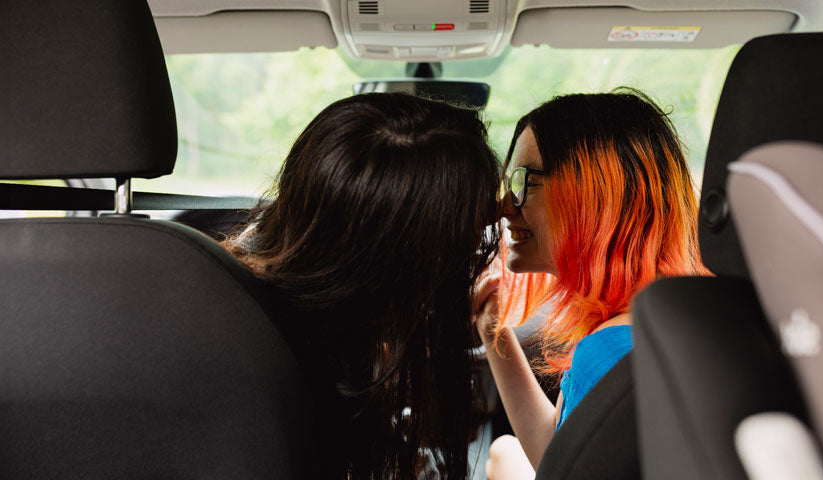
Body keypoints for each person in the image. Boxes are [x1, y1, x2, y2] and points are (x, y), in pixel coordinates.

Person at [222, 92, 502, 480]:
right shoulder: (285, 376)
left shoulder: (268, 284)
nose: (477, 242)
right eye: (462, 232)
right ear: (398, 253)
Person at [472, 89, 709, 479]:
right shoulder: (680, 314)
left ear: (594, 195)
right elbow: (562, 454)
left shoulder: (608, 354)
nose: (503, 206)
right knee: (503, 451)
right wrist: (490, 323)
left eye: (524, 181)